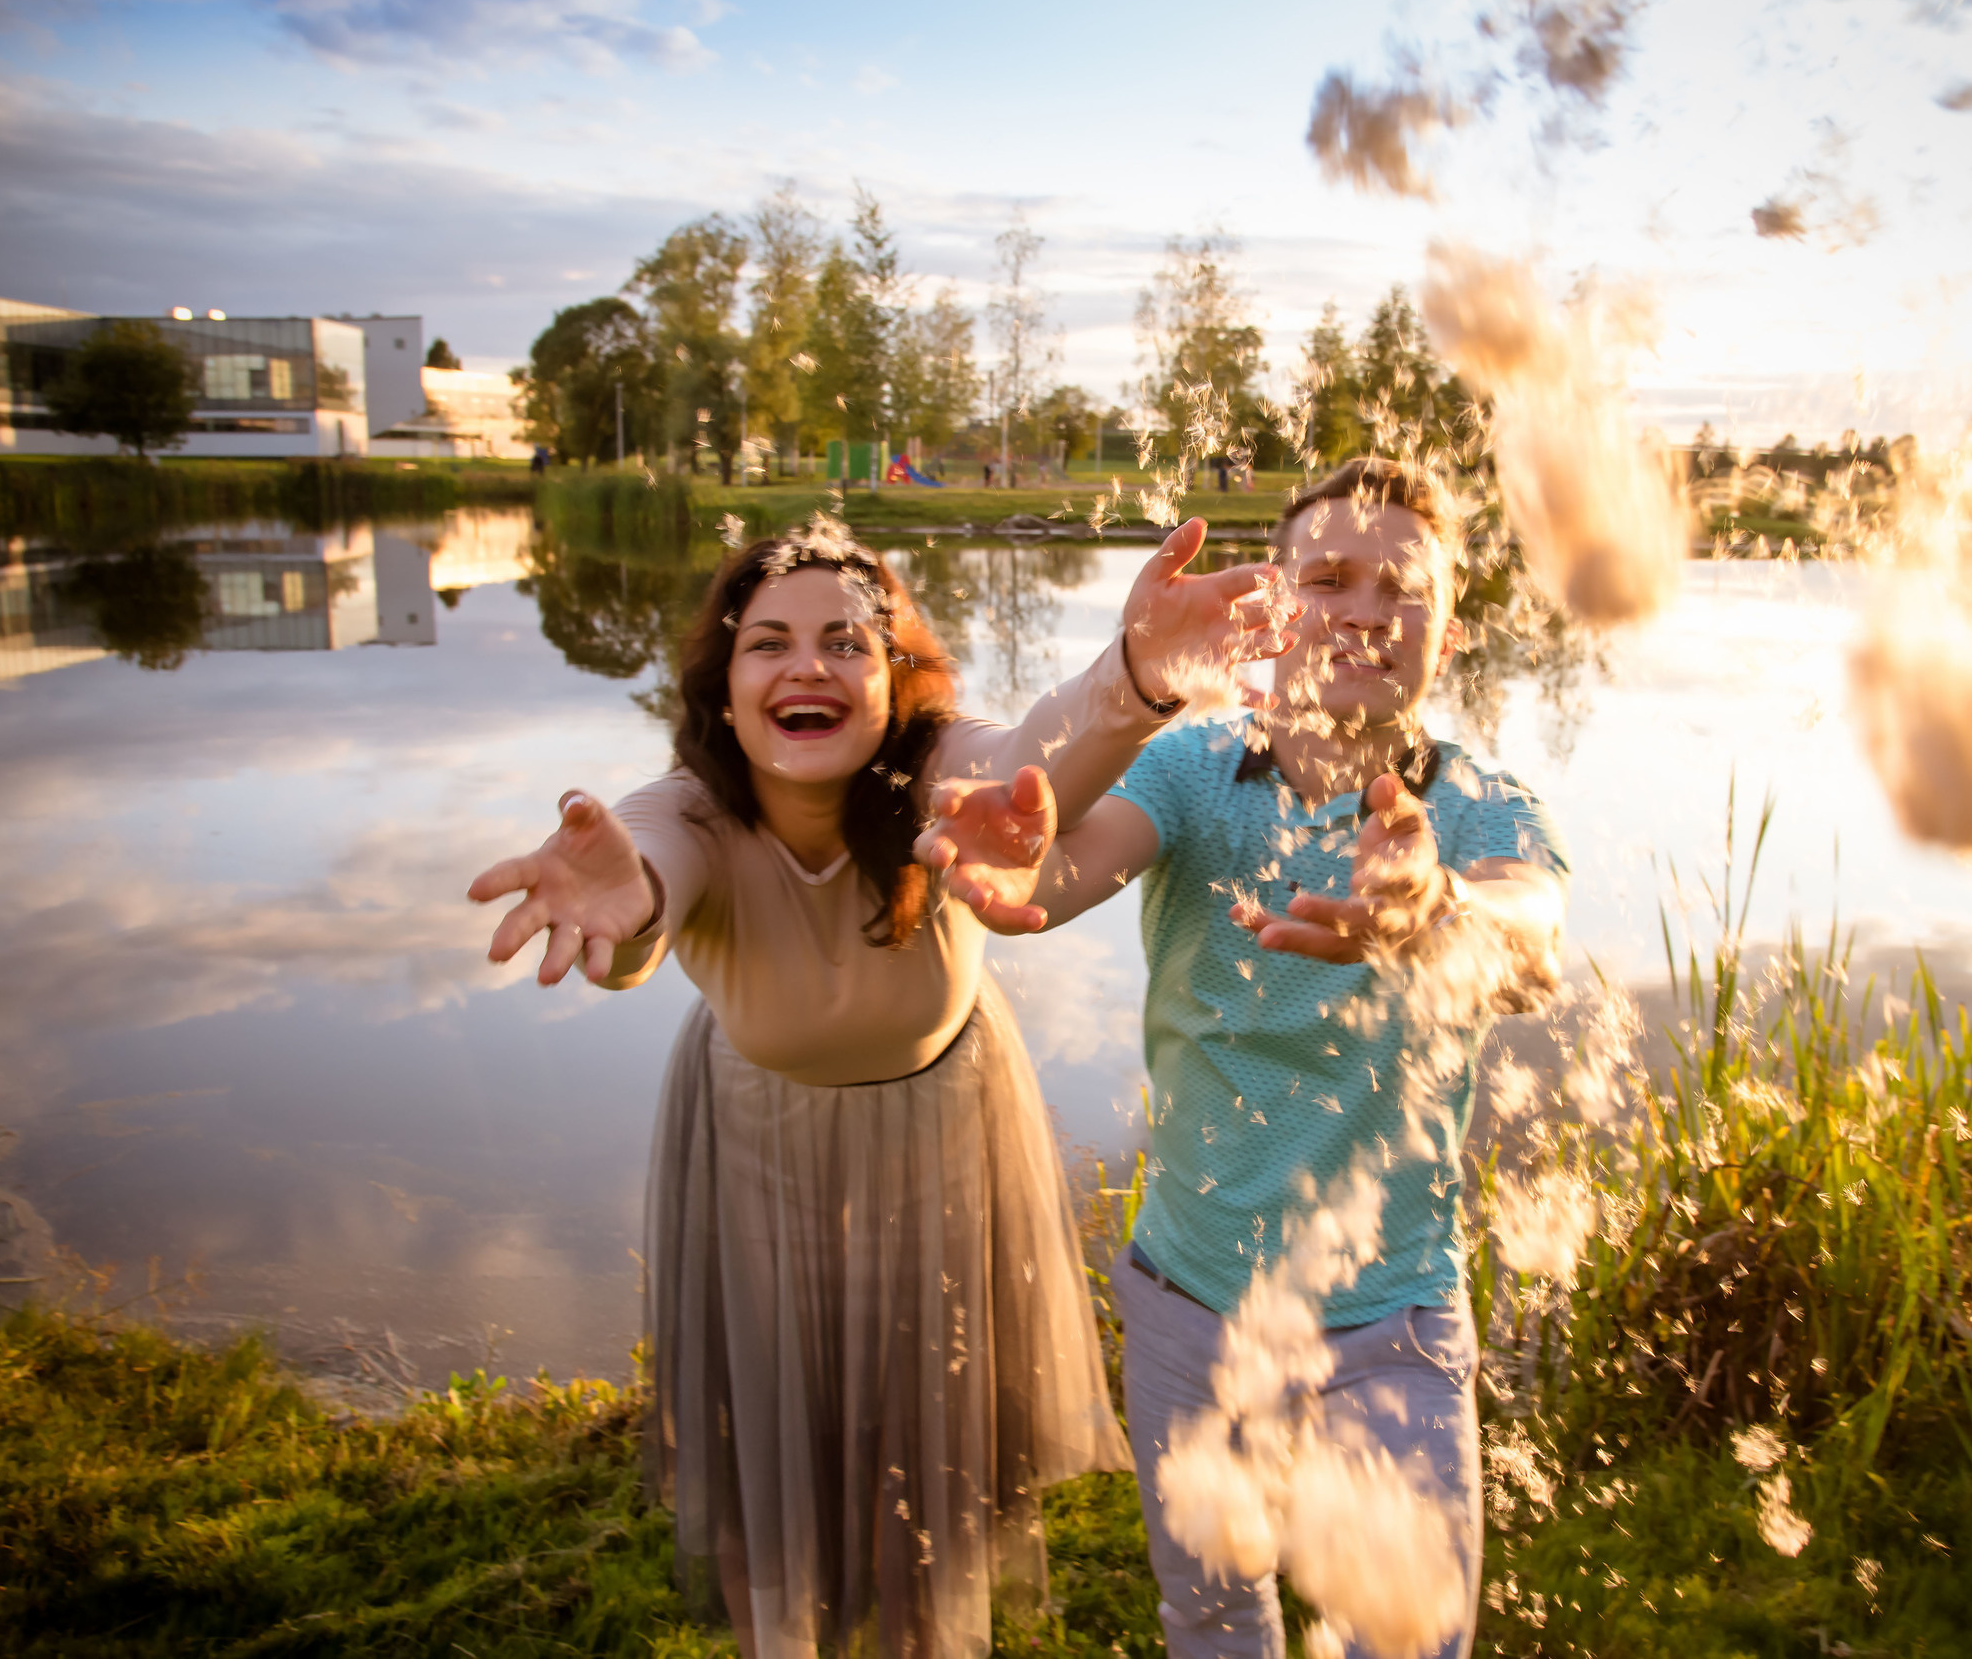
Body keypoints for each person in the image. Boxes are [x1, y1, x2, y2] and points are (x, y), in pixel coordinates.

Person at [467, 517, 1294, 1659]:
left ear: (893, 677)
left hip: (944, 1138)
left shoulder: (935, 765)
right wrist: (626, 908)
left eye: (845, 642)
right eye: (768, 643)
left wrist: (1139, 675)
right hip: (751, 1143)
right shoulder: (689, 805)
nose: (806, 666)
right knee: (769, 1456)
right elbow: (642, 886)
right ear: (723, 688)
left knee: (928, 1475)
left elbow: (1036, 755)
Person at [916, 458, 1569, 1659]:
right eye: (1329, 579)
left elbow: (1530, 939)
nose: (1364, 611)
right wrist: (1018, 858)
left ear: (1450, 630)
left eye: (1403, 589)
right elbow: (1064, 870)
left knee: (1411, 1635)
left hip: (1392, 1315)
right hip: (1189, 1306)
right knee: (1214, 1611)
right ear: (1273, 603)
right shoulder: (1190, 769)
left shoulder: (1480, 806)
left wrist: (1438, 910)